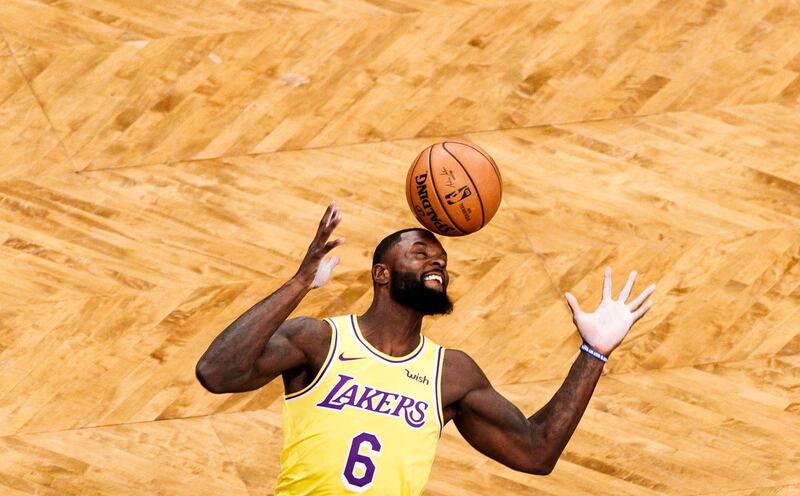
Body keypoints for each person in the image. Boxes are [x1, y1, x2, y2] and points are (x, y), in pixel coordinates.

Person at [195, 201, 656, 495]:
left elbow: (536, 452)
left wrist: (593, 353)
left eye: (442, 259)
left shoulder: (451, 374)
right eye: (420, 253)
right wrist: (299, 283)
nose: (436, 260)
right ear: (382, 274)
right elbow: (216, 373)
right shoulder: (319, 341)